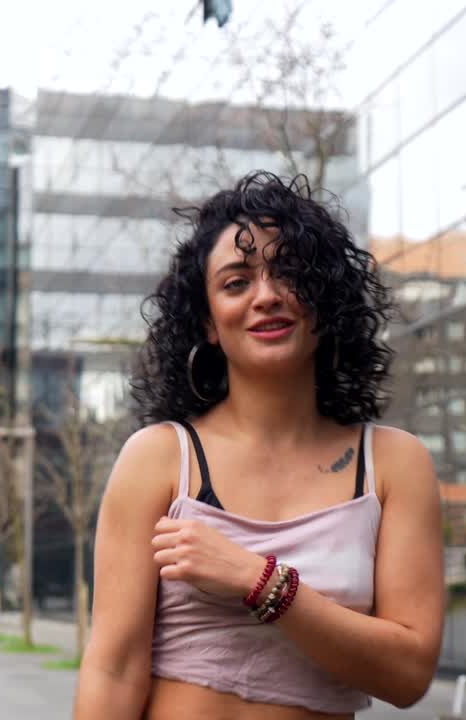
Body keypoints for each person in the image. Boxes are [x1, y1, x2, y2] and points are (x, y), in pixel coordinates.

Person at [74, 172, 445, 719]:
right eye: (236, 282)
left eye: (289, 273)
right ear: (207, 321)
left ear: (324, 300)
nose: (266, 295)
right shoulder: (158, 459)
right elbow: (113, 669)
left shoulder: (393, 464)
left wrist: (261, 582)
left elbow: (409, 674)